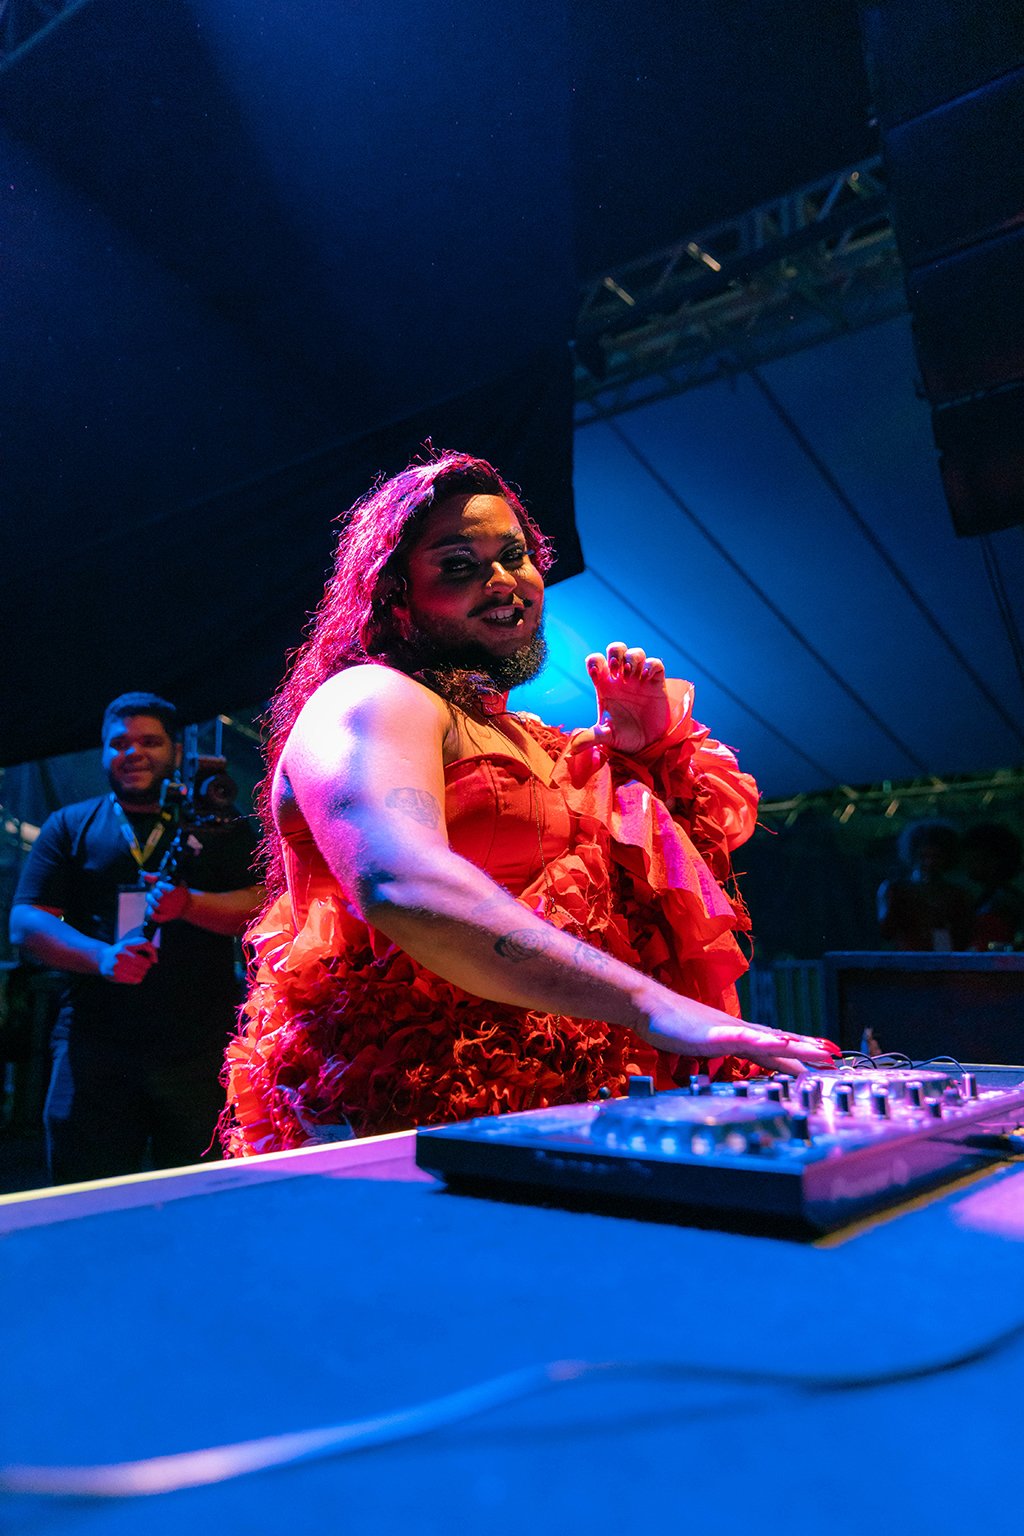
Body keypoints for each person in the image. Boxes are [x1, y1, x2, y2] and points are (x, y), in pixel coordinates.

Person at [222, 451, 837, 1156]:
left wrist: (644, 758)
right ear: (394, 596)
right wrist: (651, 1006)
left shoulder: (538, 739)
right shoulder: (370, 698)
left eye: (513, 555)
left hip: (565, 1100)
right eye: (459, 565)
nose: (502, 581)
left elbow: (650, 907)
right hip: (407, 1106)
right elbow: (401, 884)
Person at [9, 692, 265, 1183]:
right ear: (104, 752)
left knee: (202, 1195)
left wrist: (190, 905)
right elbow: (26, 922)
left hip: (201, 1047)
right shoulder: (70, 825)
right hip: (93, 1045)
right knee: (85, 1195)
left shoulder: (218, 823)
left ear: (176, 750)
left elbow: (264, 907)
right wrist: (103, 957)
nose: (133, 753)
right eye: (119, 743)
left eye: (149, 742)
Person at [876, 818, 974, 952]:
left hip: (947, 960)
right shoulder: (896, 890)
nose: (930, 863)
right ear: (913, 855)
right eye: (924, 856)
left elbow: (965, 936)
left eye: (936, 857)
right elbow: (886, 932)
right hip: (909, 959)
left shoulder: (956, 894)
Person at [962, 822, 1024, 950]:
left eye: (974, 858)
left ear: (993, 860)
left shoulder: (1006, 901)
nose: (967, 863)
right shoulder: (989, 896)